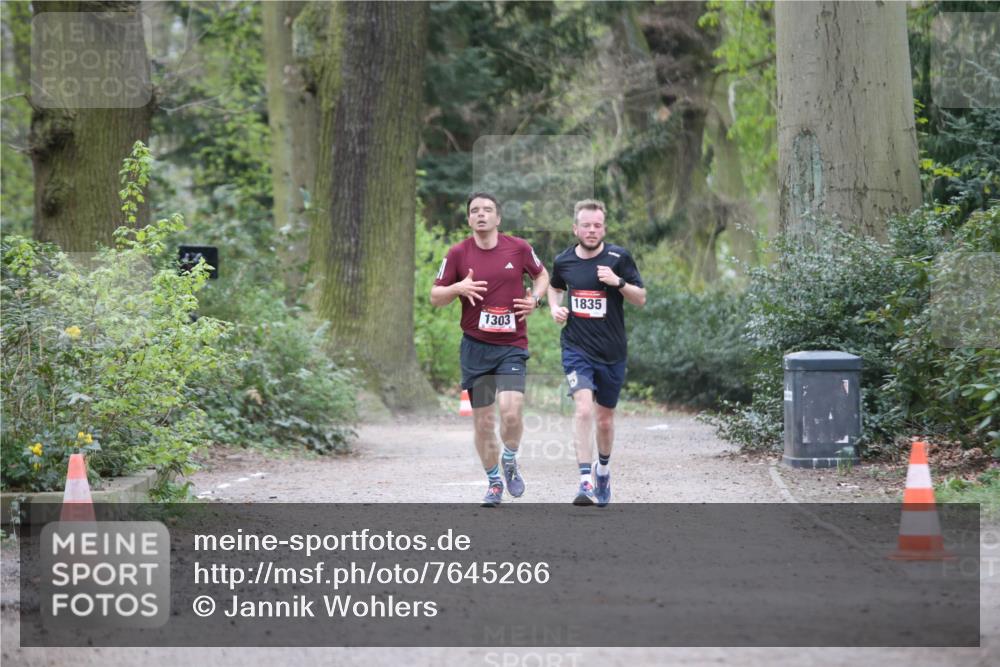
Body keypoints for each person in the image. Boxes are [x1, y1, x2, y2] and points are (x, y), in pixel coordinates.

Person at [431, 193, 549, 506]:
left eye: (488, 210)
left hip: (511, 345)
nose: (481, 215)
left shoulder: (519, 248)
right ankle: (494, 482)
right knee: (483, 422)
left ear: (498, 218)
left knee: (511, 413)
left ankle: (509, 459)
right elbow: (435, 296)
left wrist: (536, 299)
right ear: (469, 219)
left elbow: (541, 274)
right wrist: (457, 288)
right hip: (475, 349)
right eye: (475, 211)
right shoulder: (457, 254)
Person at [547, 199, 645, 506]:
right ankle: (585, 481)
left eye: (597, 225)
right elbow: (554, 286)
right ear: (575, 228)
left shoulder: (619, 257)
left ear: (604, 228)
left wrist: (618, 282)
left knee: (604, 420)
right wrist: (554, 308)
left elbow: (640, 298)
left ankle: (603, 470)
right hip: (577, 348)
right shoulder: (564, 261)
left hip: (612, 352)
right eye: (586, 225)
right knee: (584, 409)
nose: (592, 230)